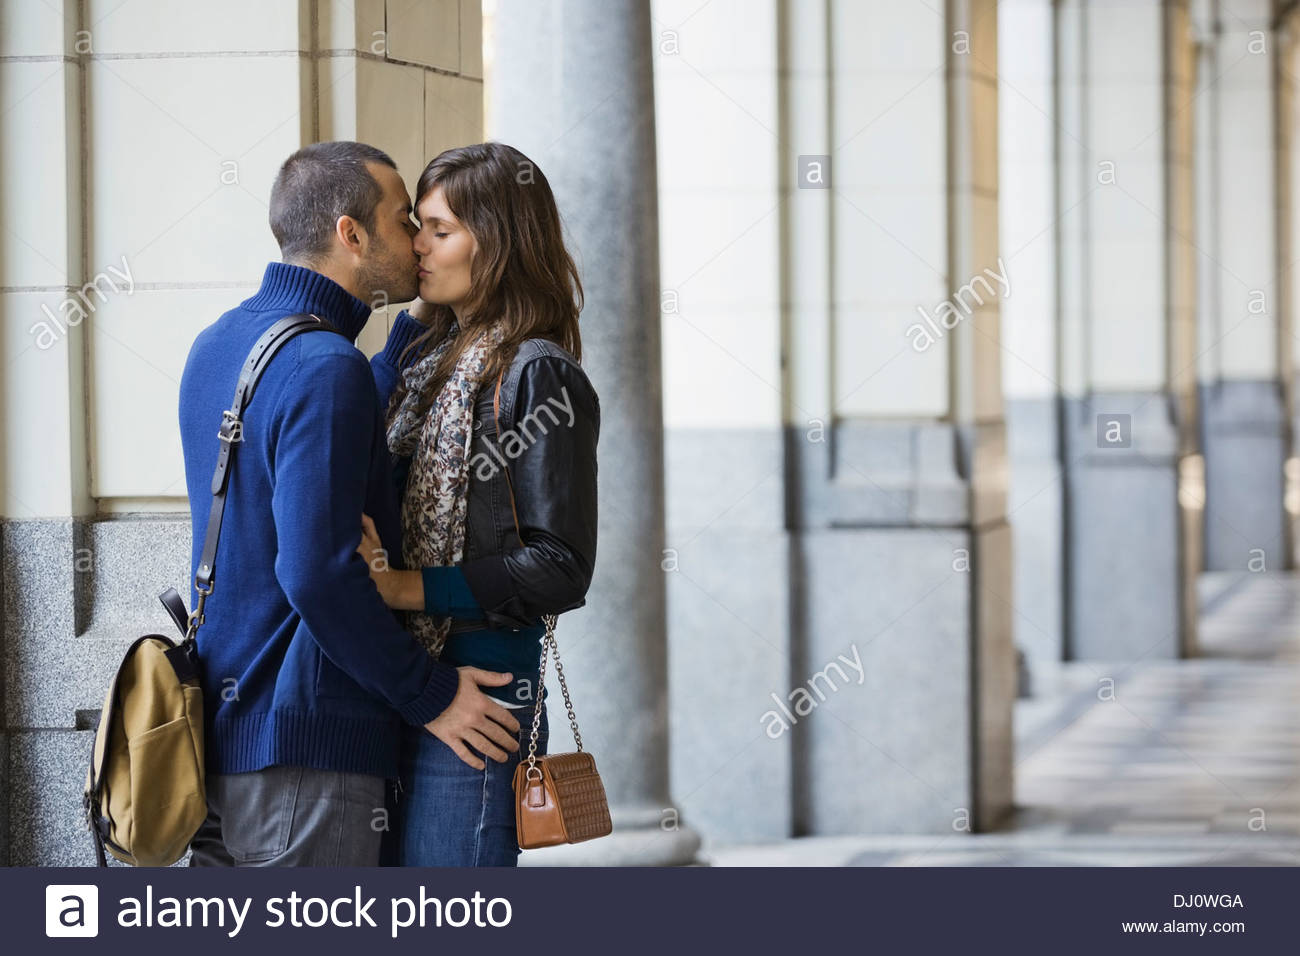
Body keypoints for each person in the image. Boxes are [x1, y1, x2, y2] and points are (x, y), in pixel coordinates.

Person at [178, 141, 521, 867]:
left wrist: (403, 341)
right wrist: (430, 694)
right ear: (351, 235)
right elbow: (317, 574)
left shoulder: (222, 343)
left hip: (220, 740)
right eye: (404, 222)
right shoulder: (323, 365)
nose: (418, 242)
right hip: (307, 754)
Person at [358, 141, 600, 866]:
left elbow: (560, 566)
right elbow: (358, 425)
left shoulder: (538, 374)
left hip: (486, 687)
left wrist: (405, 587)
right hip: (413, 678)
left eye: (440, 230)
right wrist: (411, 319)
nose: (417, 247)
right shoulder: (430, 362)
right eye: (416, 226)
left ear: (494, 242)